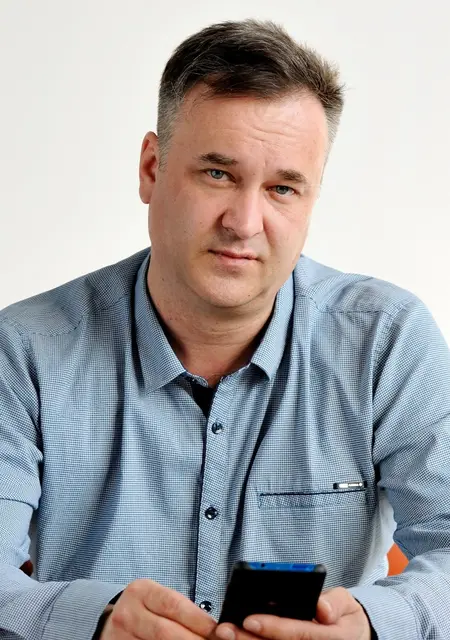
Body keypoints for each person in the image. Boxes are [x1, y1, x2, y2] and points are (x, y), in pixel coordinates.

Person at [1, 18, 449, 640]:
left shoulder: (385, 340)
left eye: (283, 188)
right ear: (152, 168)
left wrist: (373, 623)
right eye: (218, 174)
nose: (244, 222)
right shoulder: (25, 350)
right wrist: (92, 621)